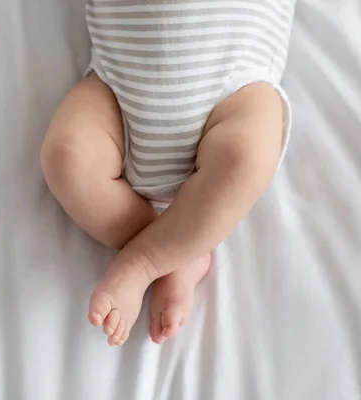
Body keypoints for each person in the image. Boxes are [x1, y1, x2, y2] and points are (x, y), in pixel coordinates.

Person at [41, 0, 296, 346]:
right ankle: (179, 251)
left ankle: (145, 260)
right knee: (66, 158)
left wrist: (143, 262)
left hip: (232, 91)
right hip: (118, 91)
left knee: (247, 156)